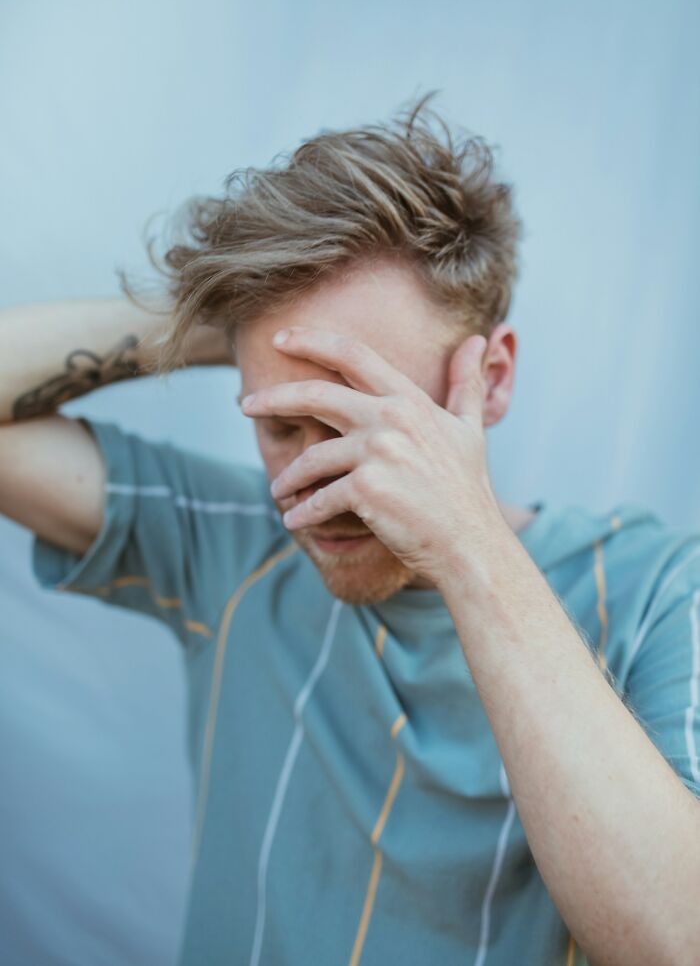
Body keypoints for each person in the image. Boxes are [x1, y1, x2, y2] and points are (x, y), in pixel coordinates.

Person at [1, 93, 698, 966]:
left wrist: (467, 545)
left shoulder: (659, 593)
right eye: (283, 425)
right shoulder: (231, 545)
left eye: (369, 426)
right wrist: (222, 322)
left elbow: (676, 942)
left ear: (494, 376)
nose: (316, 490)